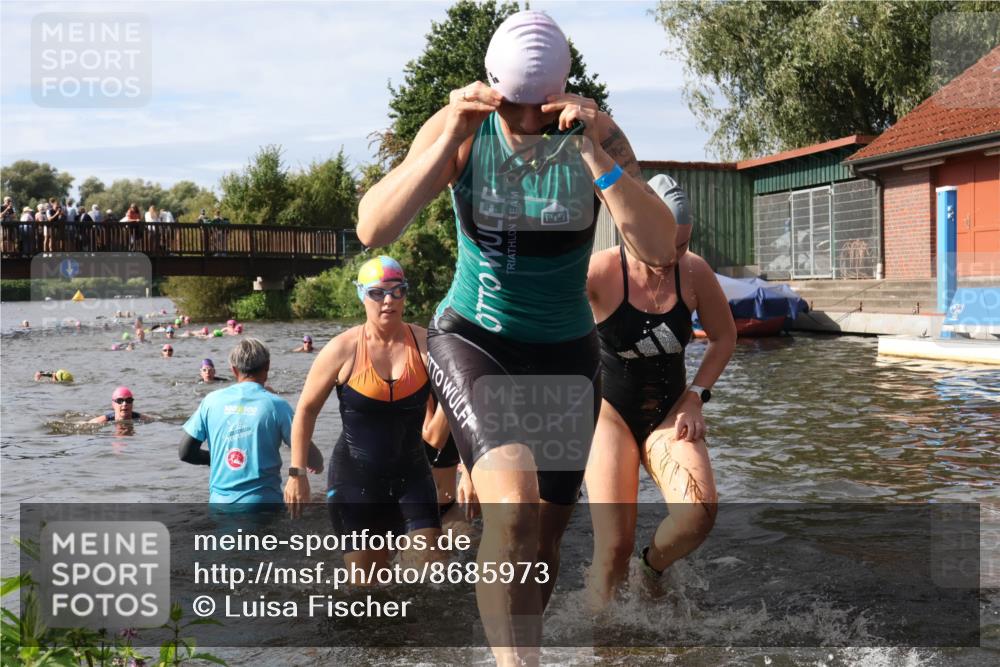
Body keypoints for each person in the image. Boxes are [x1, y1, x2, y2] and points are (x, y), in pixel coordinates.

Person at [351, 10, 678, 662]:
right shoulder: (463, 128)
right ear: (494, 87)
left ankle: (519, 647)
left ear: (562, 91)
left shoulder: (597, 133)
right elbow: (372, 227)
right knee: (514, 505)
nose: (527, 122)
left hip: (566, 353)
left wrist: (593, 153)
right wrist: (450, 138)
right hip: (477, 339)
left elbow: (660, 247)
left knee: (545, 539)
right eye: (513, 105)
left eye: (540, 107)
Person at [584, 175, 736, 609]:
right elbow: (546, 328)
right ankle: (600, 633)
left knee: (697, 515)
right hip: (610, 413)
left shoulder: (694, 272)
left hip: (670, 411)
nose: (671, 258)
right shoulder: (599, 272)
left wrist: (696, 396)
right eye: (664, 245)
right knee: (613, 546)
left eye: (682, 246)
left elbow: (724, 337)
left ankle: (651, 567)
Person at [285, 256, 445, 577]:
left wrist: (471, 469)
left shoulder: (426, 345)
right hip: (356, 481)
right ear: (362, 295)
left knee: (433, 579)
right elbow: (306, 410)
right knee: (368, 591)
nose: (388, 300)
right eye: (377, 293)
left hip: (413, 477)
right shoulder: (342, 349)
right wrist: (297, 473)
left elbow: (460, 401)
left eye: (398, 291)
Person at [179, 338, 323, 507]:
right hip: (264, 506)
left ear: (233, 370)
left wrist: (221, 458)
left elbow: (185, 453)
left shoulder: (211, 401)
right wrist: (315, 466)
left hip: (219, 505)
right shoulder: (277, 405)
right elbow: (315, 461)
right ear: (267, 366)